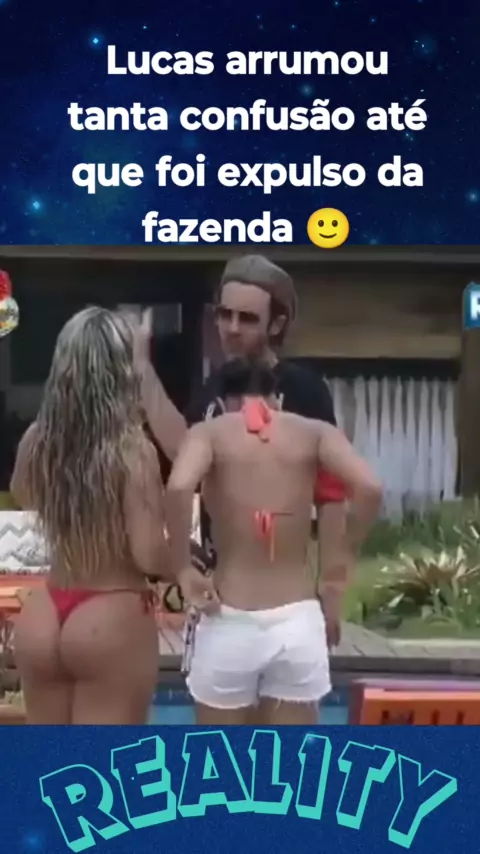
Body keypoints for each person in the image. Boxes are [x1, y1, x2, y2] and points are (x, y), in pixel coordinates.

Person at [165, 357, 382, 726]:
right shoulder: (314, 432)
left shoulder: (209, 433)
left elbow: (179, 487)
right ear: (276, 397)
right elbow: (370, 489)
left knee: (221, 759)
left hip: (229, 617)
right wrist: (340, 563)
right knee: (287, 762)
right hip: (297, 622)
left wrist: (184, 569)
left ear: (224, 403)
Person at [163, 255, 349, 634]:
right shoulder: (212, 390)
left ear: (276, 324)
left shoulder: (304, 391)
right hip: (220, 589)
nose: (231, 329)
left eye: (247, 319)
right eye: (224, 315)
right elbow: (184, 474)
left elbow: (331, 495)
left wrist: (331, 583)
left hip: (286, 597)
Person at [10, 307, 170, 724]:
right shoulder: (132, 449)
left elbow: (24, 494)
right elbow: (148, 553)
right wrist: (187, 562)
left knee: (49, 762)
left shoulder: (37, 439)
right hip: (110, 612)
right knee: (106, 762)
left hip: (45, 612)